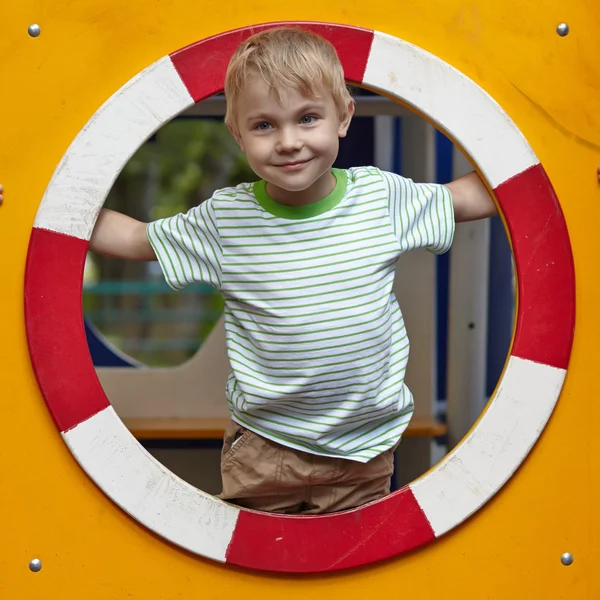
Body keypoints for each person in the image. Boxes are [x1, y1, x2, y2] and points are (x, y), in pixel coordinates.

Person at [2, 28, 597, 515]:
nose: (288, 142)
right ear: (237, 133)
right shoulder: (227, 219)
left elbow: (468, 197)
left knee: (351, 570)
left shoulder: (380, 200)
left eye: (307, 118)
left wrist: (556, 161)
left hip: (367, 445)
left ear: (343, 117)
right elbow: (134, 240)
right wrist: (43, 202)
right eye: (264, 125)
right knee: (264, 568)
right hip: (266, 446)